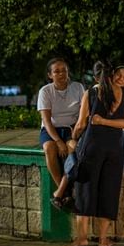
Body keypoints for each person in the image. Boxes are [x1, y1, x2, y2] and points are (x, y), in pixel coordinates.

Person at [62, 61, 124, 246]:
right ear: (113, 75)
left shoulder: (91, 92)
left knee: (84, 190)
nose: (121, 80)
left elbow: (81, 123)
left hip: (92, 145)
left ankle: (82, 238)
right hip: (114, 148)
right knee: (109, 191)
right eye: (119, 76)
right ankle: (103, 240)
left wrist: (73, 140)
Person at [37, 58, 85, 210]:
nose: (61, 74)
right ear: (50, 75)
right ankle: (65, 193)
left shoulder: (78, 88)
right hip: (51, 129)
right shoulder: (45, 91)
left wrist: (76, 132)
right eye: (56, 71)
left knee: (74, 148)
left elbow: (84, 114)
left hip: (72, 128)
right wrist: (58, 141)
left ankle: (59, 193)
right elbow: (46, 120)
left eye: (64, 70)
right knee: (49, 148)